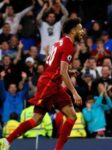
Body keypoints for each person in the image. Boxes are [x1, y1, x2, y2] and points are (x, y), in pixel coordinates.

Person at [0, 18, 85, 150]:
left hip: (53, 82)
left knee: (71, 116)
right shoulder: (68, 45)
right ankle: (7, 141)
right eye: (80, 28)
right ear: (73, 30)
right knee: (36, 119)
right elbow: (62, 71)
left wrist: (70, 71)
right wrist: (75, 93)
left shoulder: (60, 41)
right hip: (49, 84)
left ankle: (7, 141)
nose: (82, 31)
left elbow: (55, 64)